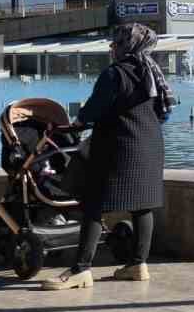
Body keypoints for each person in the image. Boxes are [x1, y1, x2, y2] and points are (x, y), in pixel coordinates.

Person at [42, 23, 172, 290]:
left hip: (120, 146)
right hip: (149, 144)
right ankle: (138, 264)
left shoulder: (115, 74)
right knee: (142, 206)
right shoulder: (150, 71)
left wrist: (77, 123)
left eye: (115, 44)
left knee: (93, 204)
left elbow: (92, 111)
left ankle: (81, 270)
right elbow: (164, 111)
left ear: (126, 45)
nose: (112, 49)